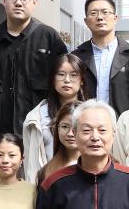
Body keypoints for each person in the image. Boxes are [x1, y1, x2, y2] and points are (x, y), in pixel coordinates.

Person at [0, 0, 67, 179]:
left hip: (39, 133)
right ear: (4, 0)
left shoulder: (49, 38)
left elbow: (62, 82)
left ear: (35, 2)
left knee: (40, 188)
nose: (18, 2)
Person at [72, 0, 129, 117]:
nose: (100, 17)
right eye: (93, 13)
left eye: (105, 12)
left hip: (121, 124)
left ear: (115, 18)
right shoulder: (76, 57)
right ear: (86, 21)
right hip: (85, 123)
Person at [22, 54, 87, 183]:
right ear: (52, 79)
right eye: (61, 74)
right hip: (48, 184)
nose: (67, 80)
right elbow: (30, 161)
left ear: (82, 80)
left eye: (73, 75)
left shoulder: (92, 114)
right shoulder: (36, 117)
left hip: (84, 184)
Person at [35, 103, 80, 186]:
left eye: (76, 127)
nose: (70, 133)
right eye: (64, 126)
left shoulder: (99, 166)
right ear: (57, 128)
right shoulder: (46, 171)